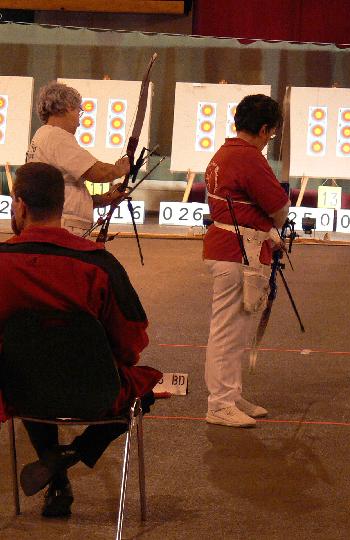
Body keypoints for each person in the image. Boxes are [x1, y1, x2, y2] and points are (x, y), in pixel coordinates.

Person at [0, 162, 161, 517]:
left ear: (20, 205)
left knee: (28, 370)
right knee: (145, 388)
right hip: (94, 392)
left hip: (17, 391)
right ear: (61, 206)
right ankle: (69, 456)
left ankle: (55, 469)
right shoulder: (99, 265)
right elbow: (133, 339)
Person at [203, 94, 289, 428]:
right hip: (236, 251)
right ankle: (220, 403)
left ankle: (230, 394)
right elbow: (279, 207)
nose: (269, 139)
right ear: (264, 129)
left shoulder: (225, 152)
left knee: (235, 328)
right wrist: (272, 226)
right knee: (228, 329)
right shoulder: (248, 157)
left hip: (231, 248)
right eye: (271, 133)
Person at [26, 81, 129, 235]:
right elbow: (98, 172)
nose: (79, 122)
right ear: (68, 106)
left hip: (58, 224)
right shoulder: (56, 136)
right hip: (64, 229)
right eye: (79, 111)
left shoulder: (43, 135)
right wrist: (121, 169)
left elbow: (61, 190)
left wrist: (101, 199)